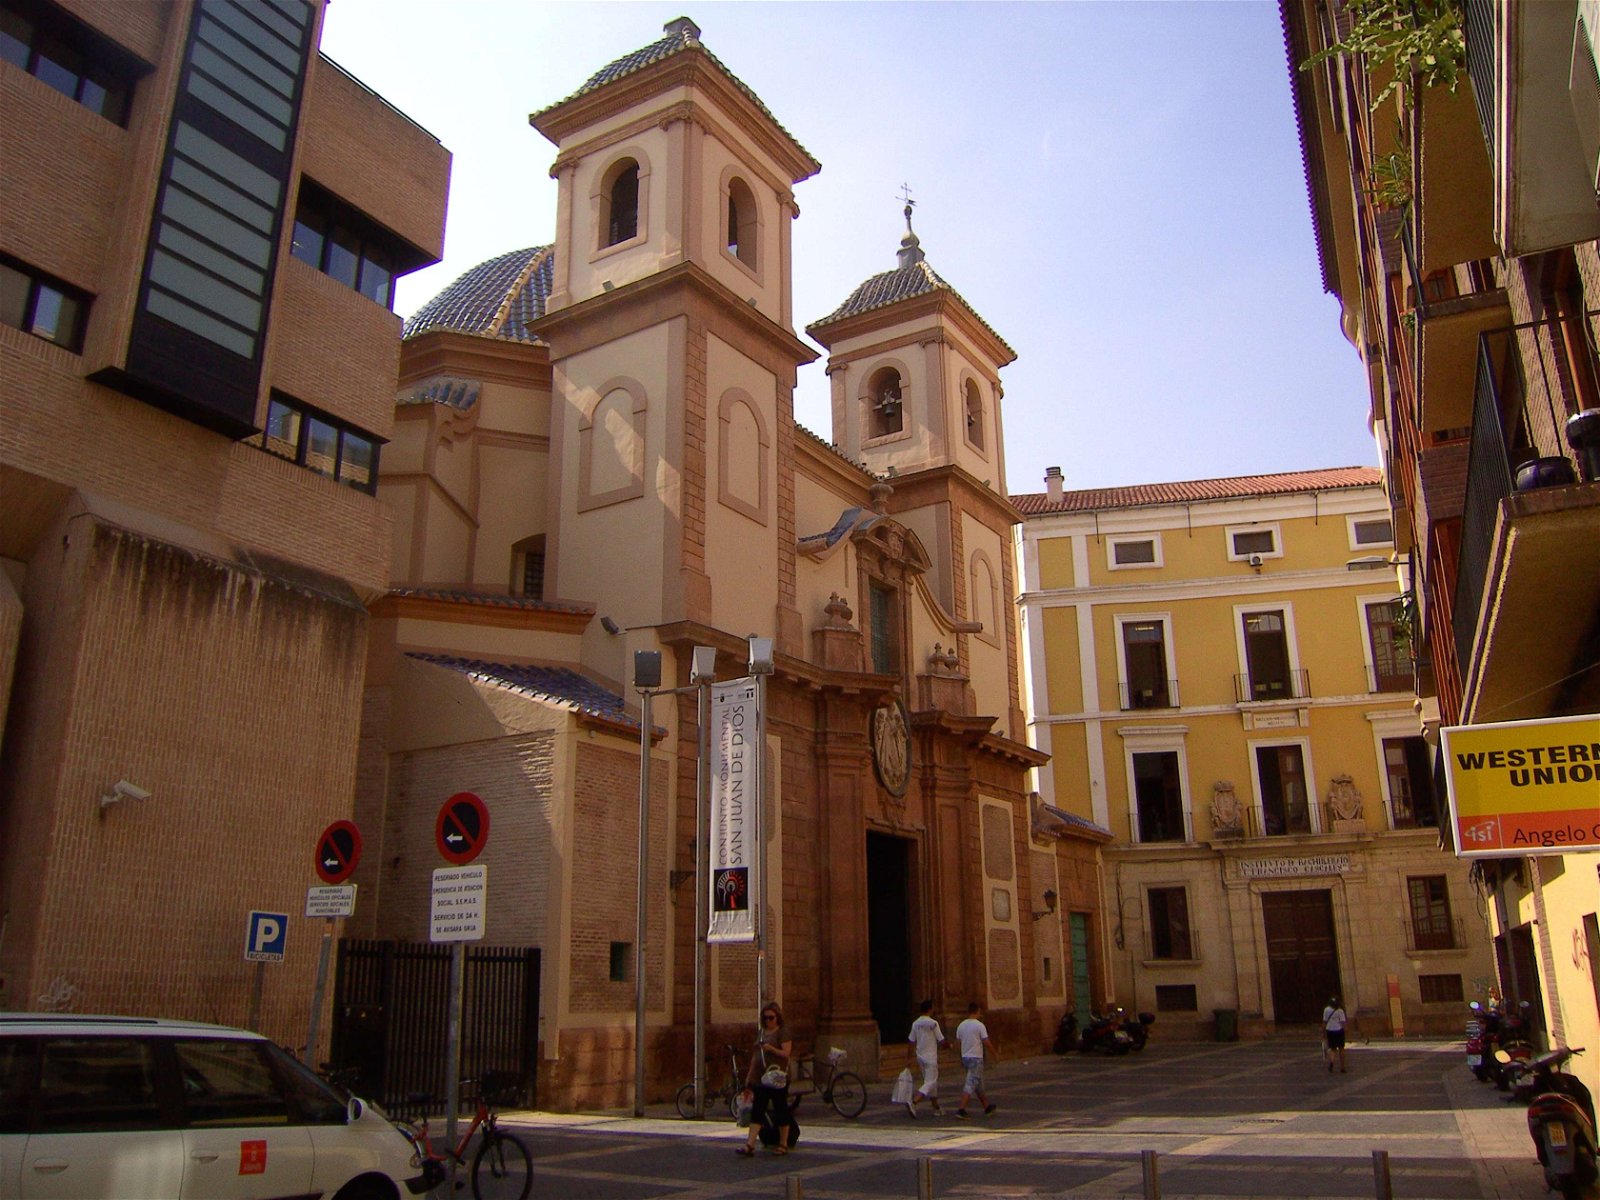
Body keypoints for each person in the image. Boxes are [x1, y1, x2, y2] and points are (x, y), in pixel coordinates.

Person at [736, 1002, 793, 1156]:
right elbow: (756, 1056)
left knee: (781, 1109)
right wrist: (749, 1077)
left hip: (777, 1078)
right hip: (761, 1078)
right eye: (765, 1018)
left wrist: (771, 1049)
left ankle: (783, 1143)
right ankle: (750, 1145)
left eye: (771, 1017)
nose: (768, 1020)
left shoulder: (783, 1032)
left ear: (778, 1017)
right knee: (758, 1110)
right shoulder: (761, 1032)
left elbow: (786, 1053)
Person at [954, 1001, 997, 1118]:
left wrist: (959, 1056)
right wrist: (994, 1054)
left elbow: (958, 1043)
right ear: (977, 1011)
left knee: (978, 1083)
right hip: (976, 1058)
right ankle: (961, 1109)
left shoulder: (961, 1025)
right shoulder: (979, 1025)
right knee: (971, 1083)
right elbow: (986, 1042)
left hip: (965, 1057)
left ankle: (987, 1107)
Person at [906, 998, 947, 1117]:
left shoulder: (915, 1023)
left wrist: (909, 1057)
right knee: (930, 1081)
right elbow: (941, 1040)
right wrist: (949, 1045)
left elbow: (911, 1041)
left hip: (920, 1056)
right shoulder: (933, 1023)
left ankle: (936, 1107)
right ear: (931, 1009)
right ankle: (914, 1102)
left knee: (931, 1082)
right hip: (930, 1057)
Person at [1322, 995, 1348, 1073]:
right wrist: (1346, 1030)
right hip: (1339, 1031)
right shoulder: (1340, 1011)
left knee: (1333, 1049)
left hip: (1330, 1030)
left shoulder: (1326, 1010)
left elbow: (1324, 1021)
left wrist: (1323, 1032)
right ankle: (1342, 1067)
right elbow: (1343, 1022)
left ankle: (1332, 1062)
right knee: (1341, 1049)